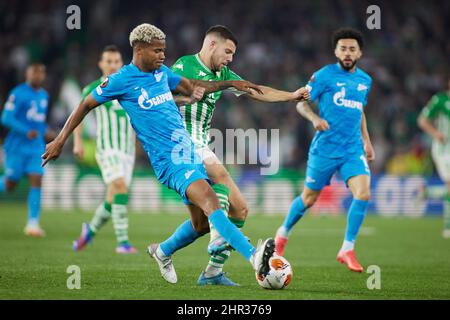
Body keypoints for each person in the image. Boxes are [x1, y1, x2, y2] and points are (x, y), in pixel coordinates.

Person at [41, 23, 276, 284]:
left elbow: (193, 84)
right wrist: (61, 140)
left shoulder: (162, 72)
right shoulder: (120, 80)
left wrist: (229, 83)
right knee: (211, 200)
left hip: (188, 151)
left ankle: (162, 252)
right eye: (158, 51)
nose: (164, 56)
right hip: (169, 159)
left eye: (164, 50)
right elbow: (85, 104)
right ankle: (254, 257)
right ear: (139, 50)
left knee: (199, 225)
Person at [168, 25, 310, 286]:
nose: (230, 59)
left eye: (233, 54)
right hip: (180, 144)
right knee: (220, 175)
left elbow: (255, 89)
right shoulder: (183, 66)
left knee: (239, 210)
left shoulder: (223, 73)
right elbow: (169, 96)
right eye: (228, 52)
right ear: (211, 44)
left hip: (201, 143)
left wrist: (291, 96)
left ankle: (209, 271)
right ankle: (218, 237)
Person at [274, 28, 375, 272]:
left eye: (352, 49)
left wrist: (367, 140)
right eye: (343, 48)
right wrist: (313, 118)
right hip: (325, 149)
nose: (347, 53)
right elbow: (301, 103)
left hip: (352, 150)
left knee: (362, 193)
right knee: (309, 198)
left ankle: (347, 249)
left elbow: (359, 111)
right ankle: (282, 234)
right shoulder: (323, 76)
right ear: (336, 51)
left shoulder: (365, 81)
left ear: (359, 52)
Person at [72, 45, 138, 253]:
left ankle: (89, 232)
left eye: (116, 61)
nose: (112, 65)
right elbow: (79, 115)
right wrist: (78, 142)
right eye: (108, 61)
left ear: (121, 63)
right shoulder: (93, 88)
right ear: (101, 64)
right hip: (107, 149)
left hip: (127, 151)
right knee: (119, 187)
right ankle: (123, 243)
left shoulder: (130, 86)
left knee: (113, 197)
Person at [1, 63, 52, 237]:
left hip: (35, 147)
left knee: (37, 179)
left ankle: (33, 224)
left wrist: (46, 132)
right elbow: (6, 118)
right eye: (34, 73)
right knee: (10, 184)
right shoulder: (18, 93)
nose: (37, 76)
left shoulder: (44, 95)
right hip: (16, 146)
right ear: (27, 74)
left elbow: (38, 121)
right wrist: (25, 131)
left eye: (40, 73)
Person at [417, 77, 450, 238]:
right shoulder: (440, 100)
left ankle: (428, 192)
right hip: (444, 150)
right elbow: (422, 120)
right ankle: (448, 226)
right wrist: (436, 133)